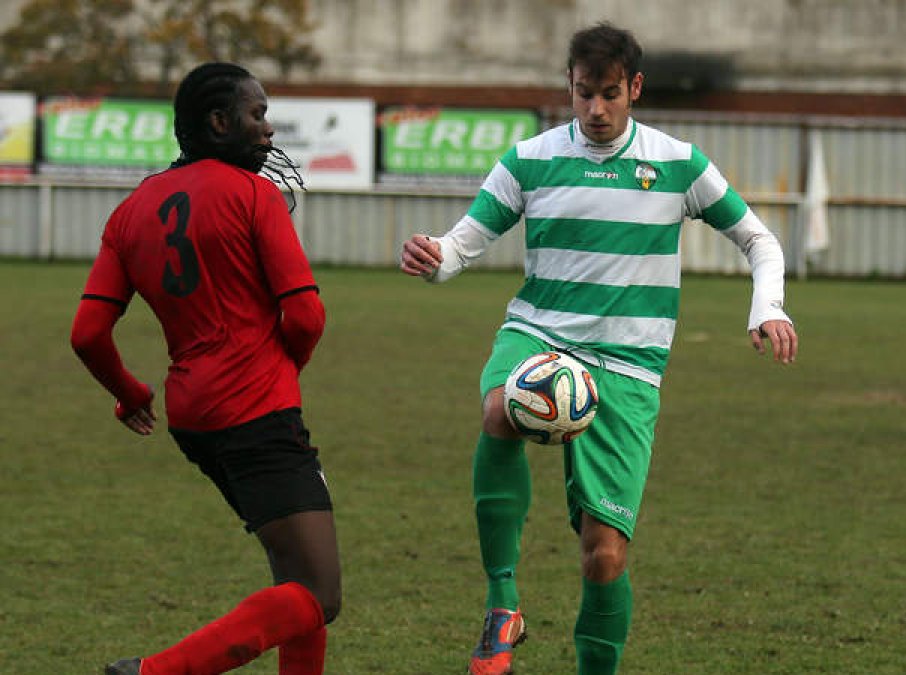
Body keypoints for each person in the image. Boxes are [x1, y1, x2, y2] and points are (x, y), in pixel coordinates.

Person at [399, 22, 797, 675]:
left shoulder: (678, 163)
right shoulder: (529, 159)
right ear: (569, 86)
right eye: (583, 94)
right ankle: (503, 603)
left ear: (635, 87)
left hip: (629, 367)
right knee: (499, 408)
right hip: (541, 334)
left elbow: (760, 241)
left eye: (610, 94)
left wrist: (767, 305)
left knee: (604, 555)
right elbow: (459, 247)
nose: (595, 110)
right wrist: (430, 254)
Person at [70, 62, 339, 674]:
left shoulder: (131, 210)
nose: (268, 130)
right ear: (219, 123)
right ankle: (155, 672)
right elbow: (306, 316)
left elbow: (87, 333)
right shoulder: (253, 194)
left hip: (193, 419)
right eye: (257, 115)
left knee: (291, 581)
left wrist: (129, 391)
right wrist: (280, 365)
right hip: (258, 412)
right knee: (320, 596)